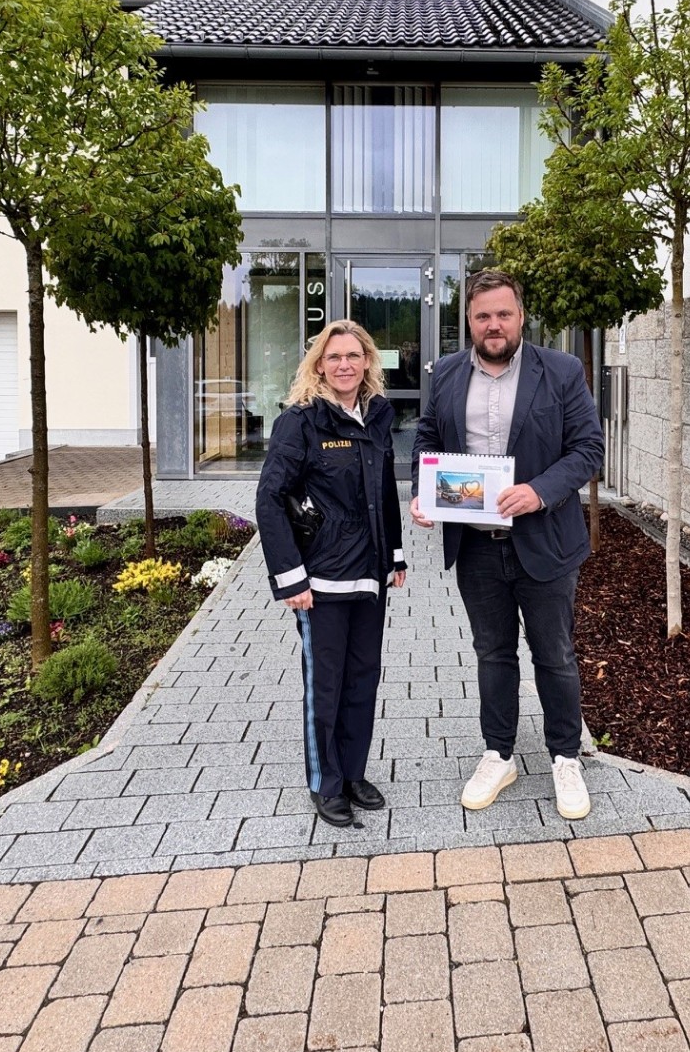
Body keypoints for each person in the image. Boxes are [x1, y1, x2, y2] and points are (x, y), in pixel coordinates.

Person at [411, 269, 604, 820]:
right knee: (492, 654)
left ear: (521, 316)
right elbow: (428, 439)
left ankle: (565, 756)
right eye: (482, 316)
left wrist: (539, 492)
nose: (493, 325)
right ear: (468, 321)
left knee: (555, 656)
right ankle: (499, 753)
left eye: (503, 314)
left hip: (545, 541)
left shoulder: (562, 371)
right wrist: (425, 494)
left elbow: (588, 449)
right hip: (475, 548)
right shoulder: (446, 374)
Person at [257, 320, 408, 828]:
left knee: (362, 679)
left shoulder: (377, 416)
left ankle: (352, 773)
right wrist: (291, 577)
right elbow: (270, 499)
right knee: (326, 685)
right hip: (319, 581)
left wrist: (397, 554)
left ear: (368, 361)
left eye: (353, 355)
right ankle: (325, 782)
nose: (344, 364)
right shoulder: (300, 422)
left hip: (369, 577)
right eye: (334, 356)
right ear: (319, 365)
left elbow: (386, 488)